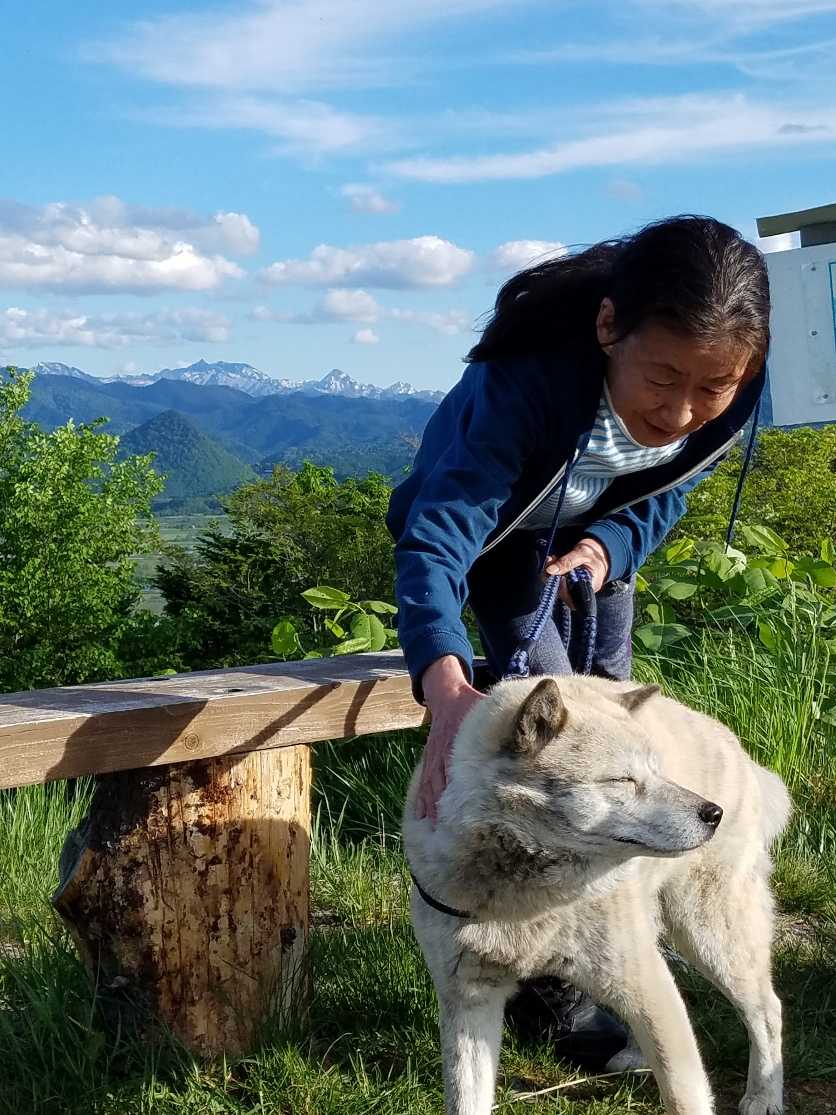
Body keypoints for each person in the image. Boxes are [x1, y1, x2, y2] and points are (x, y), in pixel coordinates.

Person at [385, 214, 769, 1069]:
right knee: (560, 738)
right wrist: (445, 690)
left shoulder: (732, 385)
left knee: (617, 754)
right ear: (607, 328)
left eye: (711, 387)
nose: (680, 411)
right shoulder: (524, 384)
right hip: (498, 544)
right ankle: (558, 998)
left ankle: (615, 937)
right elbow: (438, 538)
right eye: (661, 377)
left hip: (592, 546)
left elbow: (669, 485)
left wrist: (610, 546)